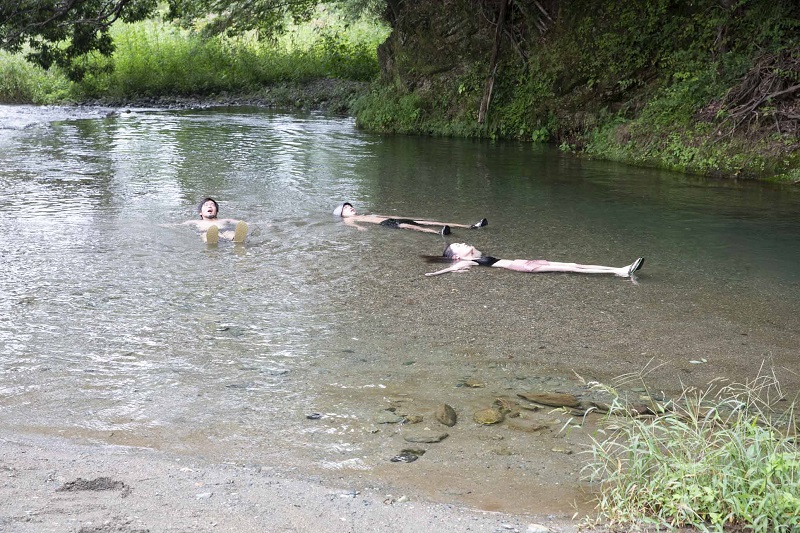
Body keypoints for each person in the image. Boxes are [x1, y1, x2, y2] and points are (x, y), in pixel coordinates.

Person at [424, 242, 645, 278]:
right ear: (456, 256)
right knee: (573, 268)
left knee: (574, 265)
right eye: (459, 246)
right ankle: (620, 271)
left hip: (526, 262)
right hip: (524, 267)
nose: (464, 244)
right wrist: (435, 273)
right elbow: (458, 266)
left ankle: (620, 269)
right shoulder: (471, 262)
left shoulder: (480, 257)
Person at [333, 202, 488, 236]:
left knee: (428, 221)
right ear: (342, 215)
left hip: (392, 218)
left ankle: (471, 226)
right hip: (388, 224)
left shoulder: (365, 214)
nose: (350, 207)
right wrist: (359, 227)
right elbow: (353, 225)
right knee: (414, 227)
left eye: (350, 206)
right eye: (346, 208)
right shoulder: (348, 220)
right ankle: (439, 233)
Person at [183, 197, 248, 244]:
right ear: (200, 212)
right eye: (206, 205)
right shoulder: (197, 222)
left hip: (224, 231)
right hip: (207, 233)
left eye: (212, 205)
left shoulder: (224, 220)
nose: (209, 206)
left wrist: (247, 224)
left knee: (230, 233)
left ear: (216, 211)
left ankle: (237, 239)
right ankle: (210, 242)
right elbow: (181, 225)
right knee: (205, 234)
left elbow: (240, 223)